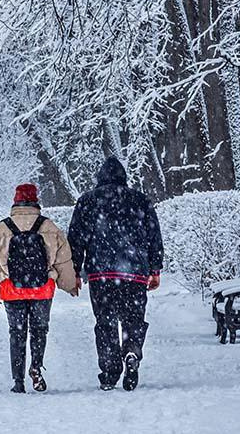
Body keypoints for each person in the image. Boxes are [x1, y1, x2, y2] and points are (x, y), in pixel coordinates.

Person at [68, 156, 164, 392]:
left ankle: (110, 371)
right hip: (134, 273)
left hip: (101, 275)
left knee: (105, 323)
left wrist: (74, 270)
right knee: (133, 319)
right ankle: (132, 350)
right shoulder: (140, 200)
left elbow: (76, 238)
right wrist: (155, 268)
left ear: (99, 178)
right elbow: (154, 236)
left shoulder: (88, 201)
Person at [0, 183, 78, 393]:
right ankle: (36, 366)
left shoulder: (2, 228)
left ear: (15, 202)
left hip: (11, 289)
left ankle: (17, 381)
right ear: (36, 201)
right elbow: (63, 260)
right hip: (42, 288)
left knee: (16, 333)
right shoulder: (49, 227)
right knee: (39, 330)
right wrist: (69, 284)